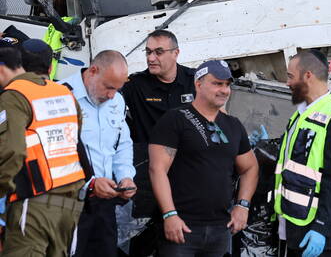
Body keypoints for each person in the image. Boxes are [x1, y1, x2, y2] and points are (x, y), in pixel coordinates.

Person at [149, 60, 259, 257]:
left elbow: (250, 167)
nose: (224, 90)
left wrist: (242, 206)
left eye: (227, 84)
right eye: (217, 83)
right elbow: (157, 169)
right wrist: (169, 214)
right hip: (182, 228)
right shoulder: (175, 118)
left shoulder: (233, 125)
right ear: (198, 84)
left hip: (221, 229)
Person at [0, 45, 87, 256]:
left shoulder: (13, 96)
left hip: (34, 204)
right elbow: (75, 139)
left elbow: (12, 151)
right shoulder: (64, 92)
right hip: (70, 204)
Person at [275, 50, 331, 257]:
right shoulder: (303, 114)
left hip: (318, 230)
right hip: (297, 222)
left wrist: (321, 227)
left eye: (290, 76)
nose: (287, 83)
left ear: (307, 76)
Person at [122, 29, 197, 253]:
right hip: (149, 177)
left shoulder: (195, 81)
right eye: (148, 52)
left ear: (176, 53)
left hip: (188, 176)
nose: (151, 58)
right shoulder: (136, 85)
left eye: (158, 52)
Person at [62, 50, 136, 255]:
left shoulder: (117, 101)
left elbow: (122, 144)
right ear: (92, 71)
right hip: (69, 202)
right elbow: (56, 155)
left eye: (117, 89)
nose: (112, 95)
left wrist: (126, 177)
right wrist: (90, 183)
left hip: (104, 202)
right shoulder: (61, 96)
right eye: (109, 87)